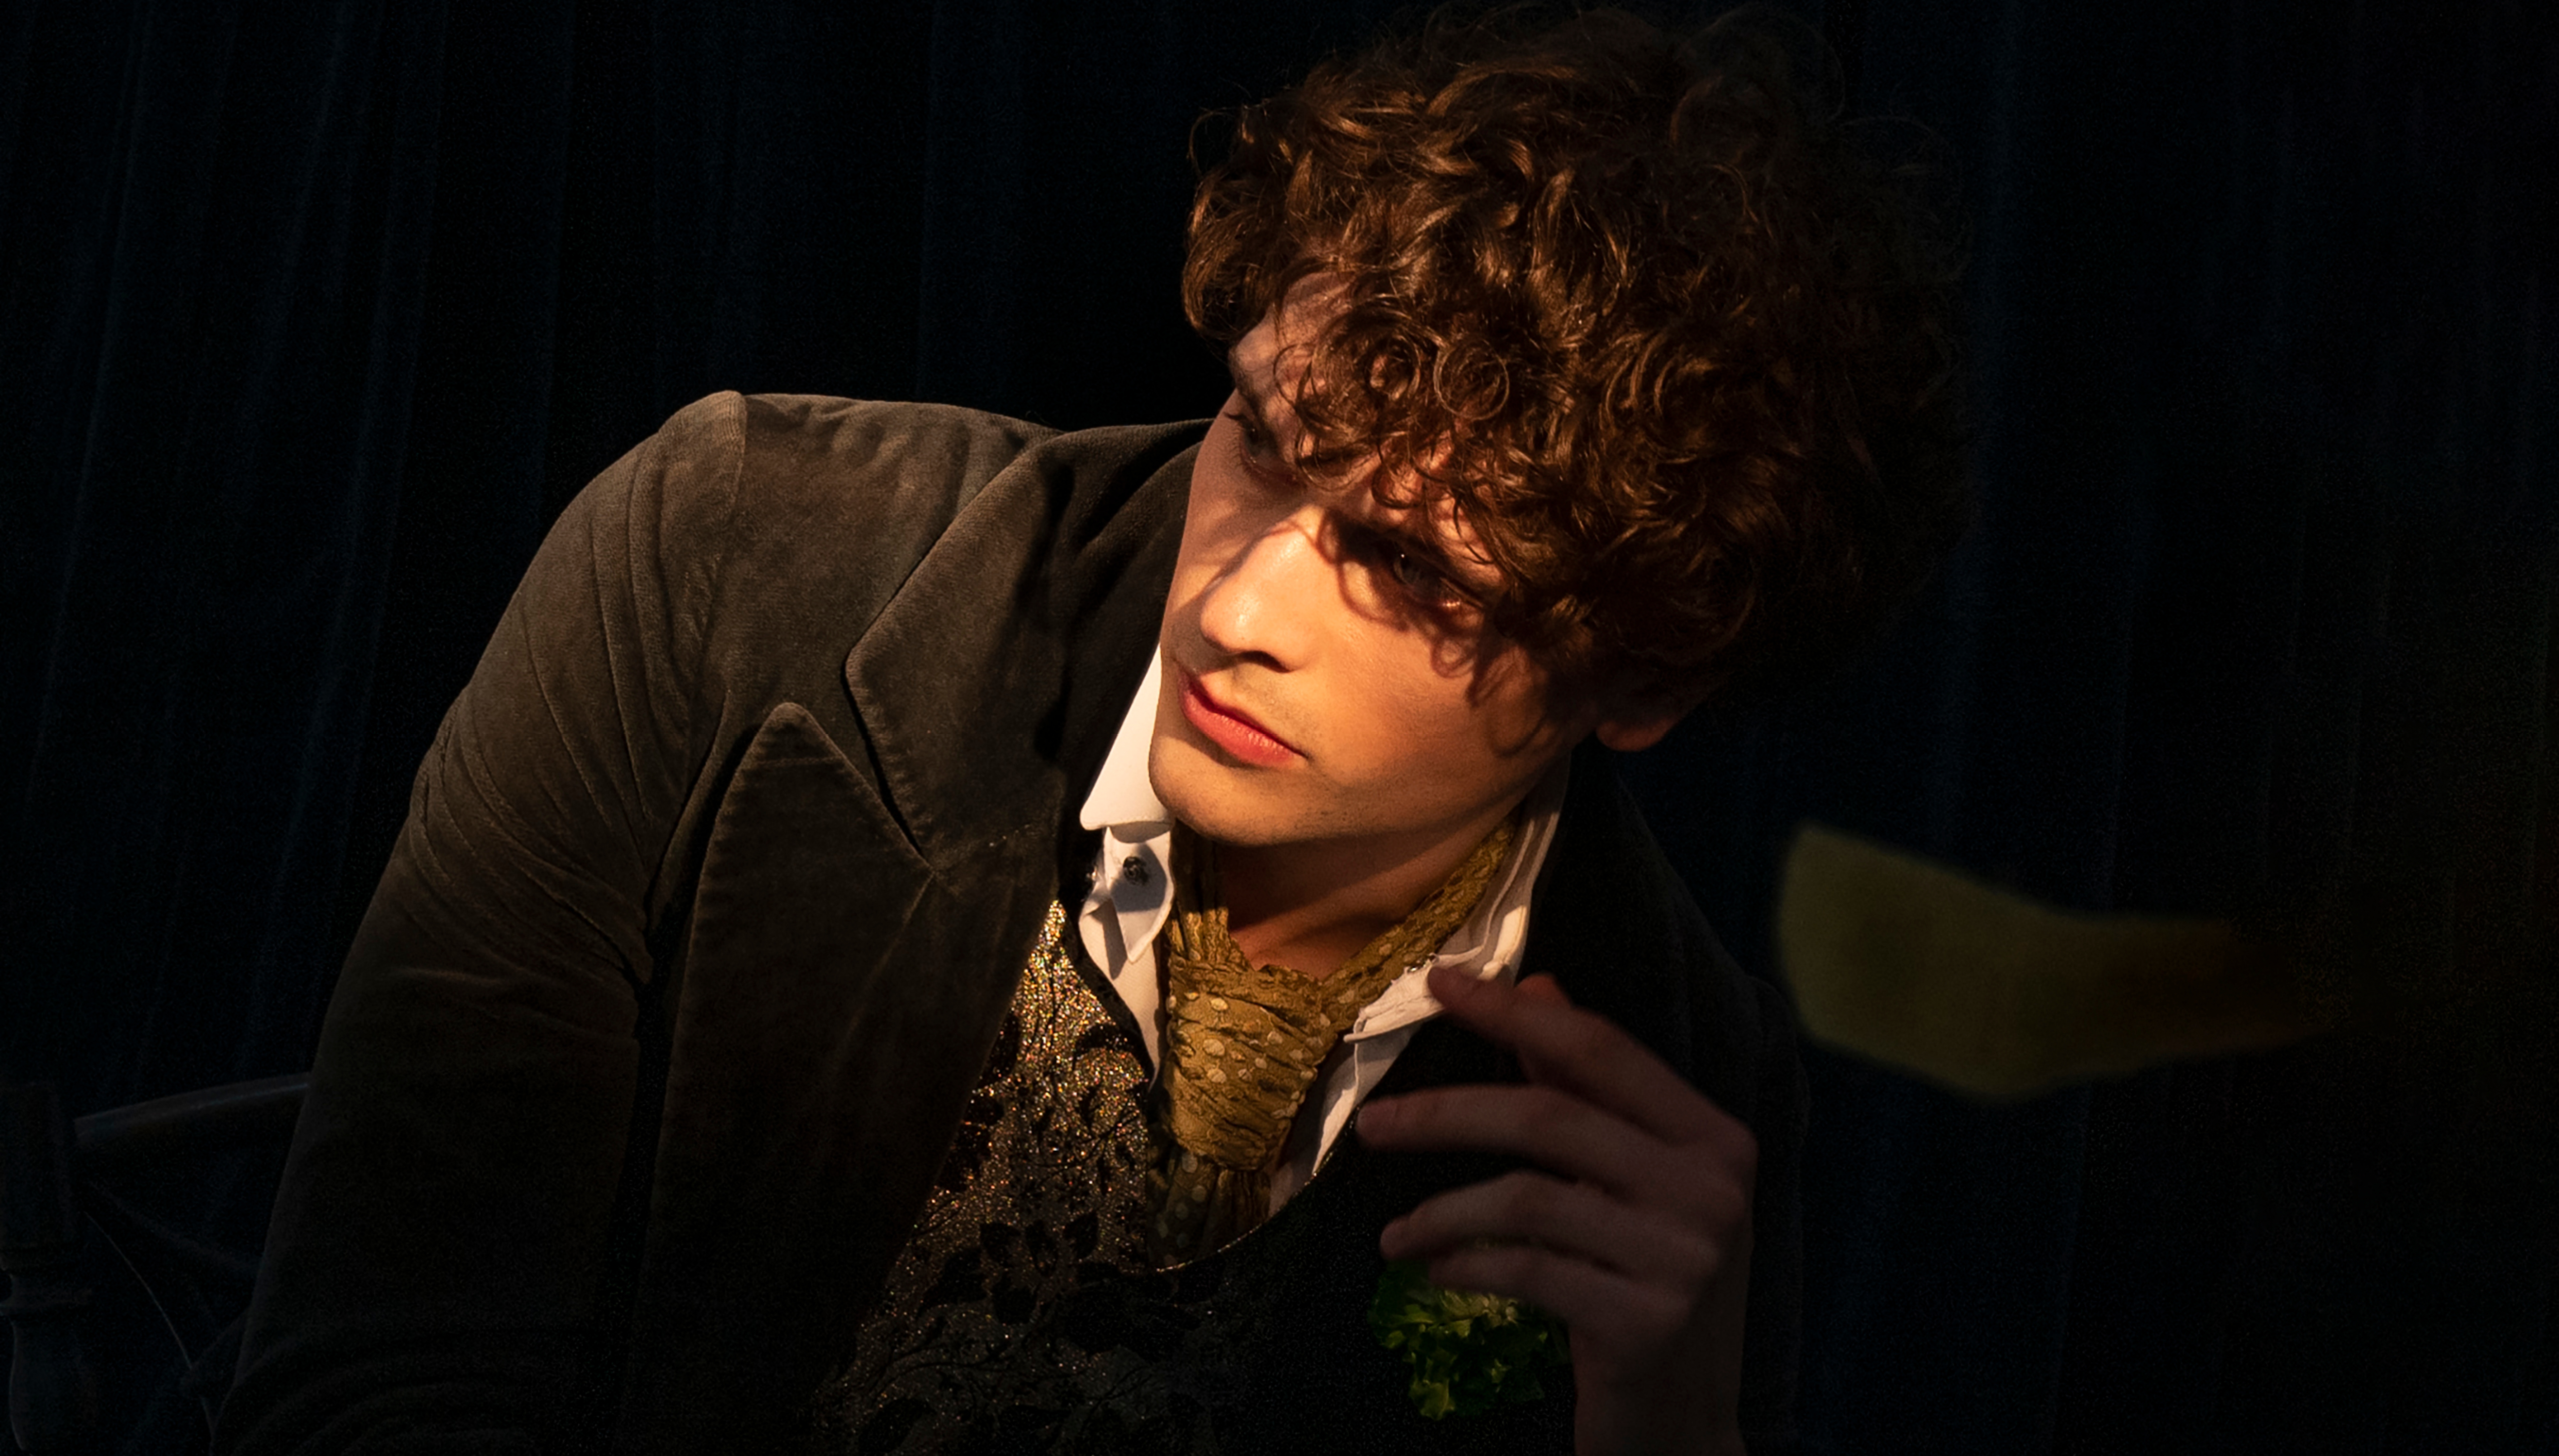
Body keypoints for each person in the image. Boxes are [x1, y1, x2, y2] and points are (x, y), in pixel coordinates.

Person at [217, 7, 1963, 1455]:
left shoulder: (1660, 1080)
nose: (1245, 607)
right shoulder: (738, 563)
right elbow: (371, 1379)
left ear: (1642, 678)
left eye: (1414, 567)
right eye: (1268, 440)